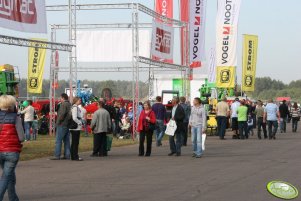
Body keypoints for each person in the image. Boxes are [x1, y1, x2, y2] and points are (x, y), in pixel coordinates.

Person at [0, 95, 25, 201]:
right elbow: (22, 137)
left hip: (0, 150)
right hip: (12, 151)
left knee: (9, 174)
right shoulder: (16, 118)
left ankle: (13, 198)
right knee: (6, 176)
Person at [50, 93, 71, 160]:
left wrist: (58, 122)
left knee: (58, 140)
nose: (60, 99)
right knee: (66, 140)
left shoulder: (63, 104)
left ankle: (57, 155)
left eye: (60, 98)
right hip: (67, 124)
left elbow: (62, 114)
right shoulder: (69, 104)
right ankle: (67, 155)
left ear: (63, 98)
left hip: (62, 124)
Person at [69, 97, 83, 161]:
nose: (80, 101)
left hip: (75, 127)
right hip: (75, 128)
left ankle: (73, 156)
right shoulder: (75, 108)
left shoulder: (75, 107)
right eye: (79, 100)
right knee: (75, 143)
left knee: (74, 142)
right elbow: (74, 118)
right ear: (76, 101)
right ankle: (75, 156)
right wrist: (79, 123)